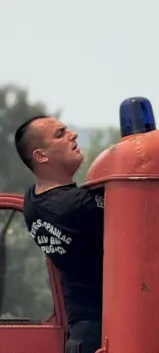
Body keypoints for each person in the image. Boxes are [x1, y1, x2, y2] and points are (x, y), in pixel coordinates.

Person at [14, 116, 104, 353]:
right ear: (40, 156)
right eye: (60, 134)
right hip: (104, 328)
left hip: (80, 330)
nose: (73, 135)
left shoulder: (32, 201)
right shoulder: (79, 205)